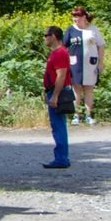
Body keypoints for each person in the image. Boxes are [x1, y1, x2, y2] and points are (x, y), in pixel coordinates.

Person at [64, 6, 105, 125]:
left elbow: (101, 45)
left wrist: (101, 63)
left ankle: (89, 115)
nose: (75, 19)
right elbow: (63, 46)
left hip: (90, 63)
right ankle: (76, 115)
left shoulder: (93, 30)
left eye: (77, 16)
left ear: (84, 17)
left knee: (89, 89)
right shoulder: (70, 30)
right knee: (76, 89)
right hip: (75, 64)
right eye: (73, 16)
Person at [42, 26, 72, 169]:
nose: (44, 38)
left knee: (58, 126)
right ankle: (61, 157)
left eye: (46, 35)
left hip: (57, 92)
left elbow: (61, 75)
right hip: (54, 91)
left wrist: (54, 96)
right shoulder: (56, 52)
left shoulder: (59, 53)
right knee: (58, 125)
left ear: (53, 36)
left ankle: (61, 158)